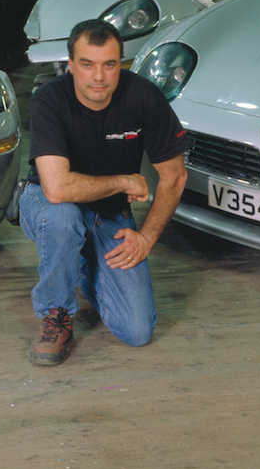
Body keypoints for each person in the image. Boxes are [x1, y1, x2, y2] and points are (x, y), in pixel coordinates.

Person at [19, 19, 191, 366]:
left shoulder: (144, 97)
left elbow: (174, 176)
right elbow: (57, 188)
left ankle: (82, 265)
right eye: (87, 64)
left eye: (109, 65)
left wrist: (146, 238)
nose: (98, 77)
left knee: (137, 330)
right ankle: (56, 313)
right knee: (63, 218)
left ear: (120, 64)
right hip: (48, 204)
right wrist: (125, 181)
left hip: (110, 215)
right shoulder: (49, 99)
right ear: (71, 65)